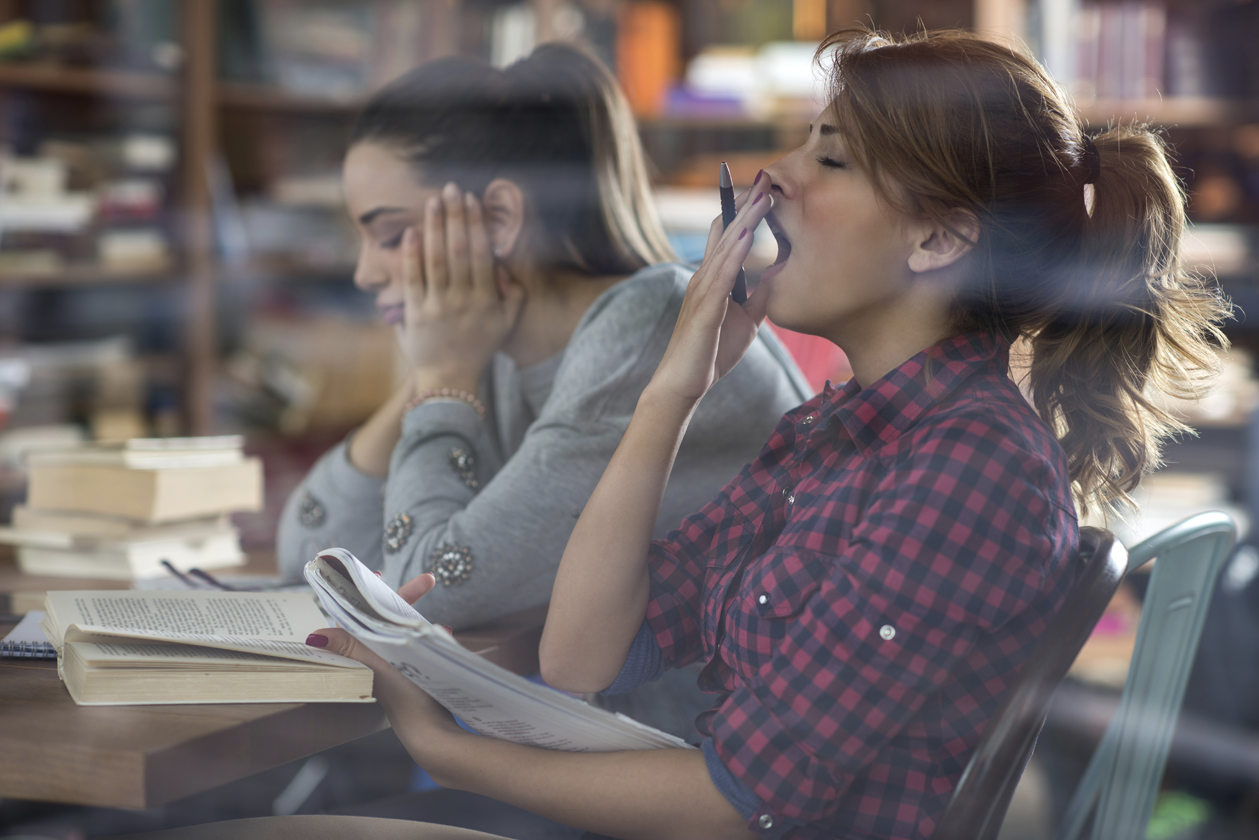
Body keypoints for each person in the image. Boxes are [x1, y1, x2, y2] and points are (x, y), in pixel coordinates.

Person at [122, 26, 1229, 840]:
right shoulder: (838, 431)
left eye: (829, 159)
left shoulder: (965, 467)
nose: (774, 175)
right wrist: (671, 390)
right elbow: (584, 654)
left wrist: (447, 751)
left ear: (939, 240)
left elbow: (736, 804)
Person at [275, 42, 811, 737]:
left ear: (499, 219)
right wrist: (435, 373)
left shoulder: (642, 329)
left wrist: (441, 381)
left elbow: (426, 593)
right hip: (637, 757)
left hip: (727, 774)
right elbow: (306, 555)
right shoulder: (495, 352)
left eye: (391, 235)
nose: (365, 274)